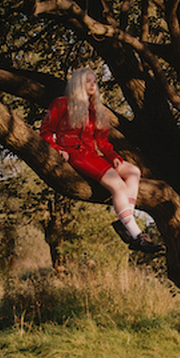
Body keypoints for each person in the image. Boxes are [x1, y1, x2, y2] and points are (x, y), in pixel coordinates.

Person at [40, 68, 163, 254]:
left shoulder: (97, 110)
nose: (93, 85)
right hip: (76, 153)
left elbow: (103, 142)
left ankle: (124, 222)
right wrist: (58, 150)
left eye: (95, 81)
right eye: (88, 81)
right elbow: (46, 132)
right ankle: (138, 235)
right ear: (78, 83)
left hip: (93, 154)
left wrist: (113, 157)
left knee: (133, 172)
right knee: (118, 186)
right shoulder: (62, 103)